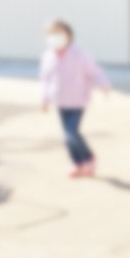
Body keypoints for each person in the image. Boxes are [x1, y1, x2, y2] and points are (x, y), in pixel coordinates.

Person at [39, 20, 110, 178]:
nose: (54, 37)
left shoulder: (80, 54)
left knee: (70, 133)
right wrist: (44, 99)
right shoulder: (48, 56)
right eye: (51, 34)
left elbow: (93, 72)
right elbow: (46, 79)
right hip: (61, 101)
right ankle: (77, 163)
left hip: (78, 100)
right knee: (67, 136)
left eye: (58, 32)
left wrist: (103, 84)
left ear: (68, 34)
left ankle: (88, 157)